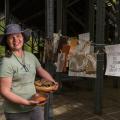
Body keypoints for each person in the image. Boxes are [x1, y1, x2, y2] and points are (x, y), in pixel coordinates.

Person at [0, 24, 58, 120]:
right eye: (11, 37)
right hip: (16, 112)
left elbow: (41, 71)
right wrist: (26, 102)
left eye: (18, 36)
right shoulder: (6, 62)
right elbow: (4, 91)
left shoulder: (30, 56)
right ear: (7, 41)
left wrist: (53, 82)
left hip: (35, 105)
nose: (15, 40)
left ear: (22, 37)